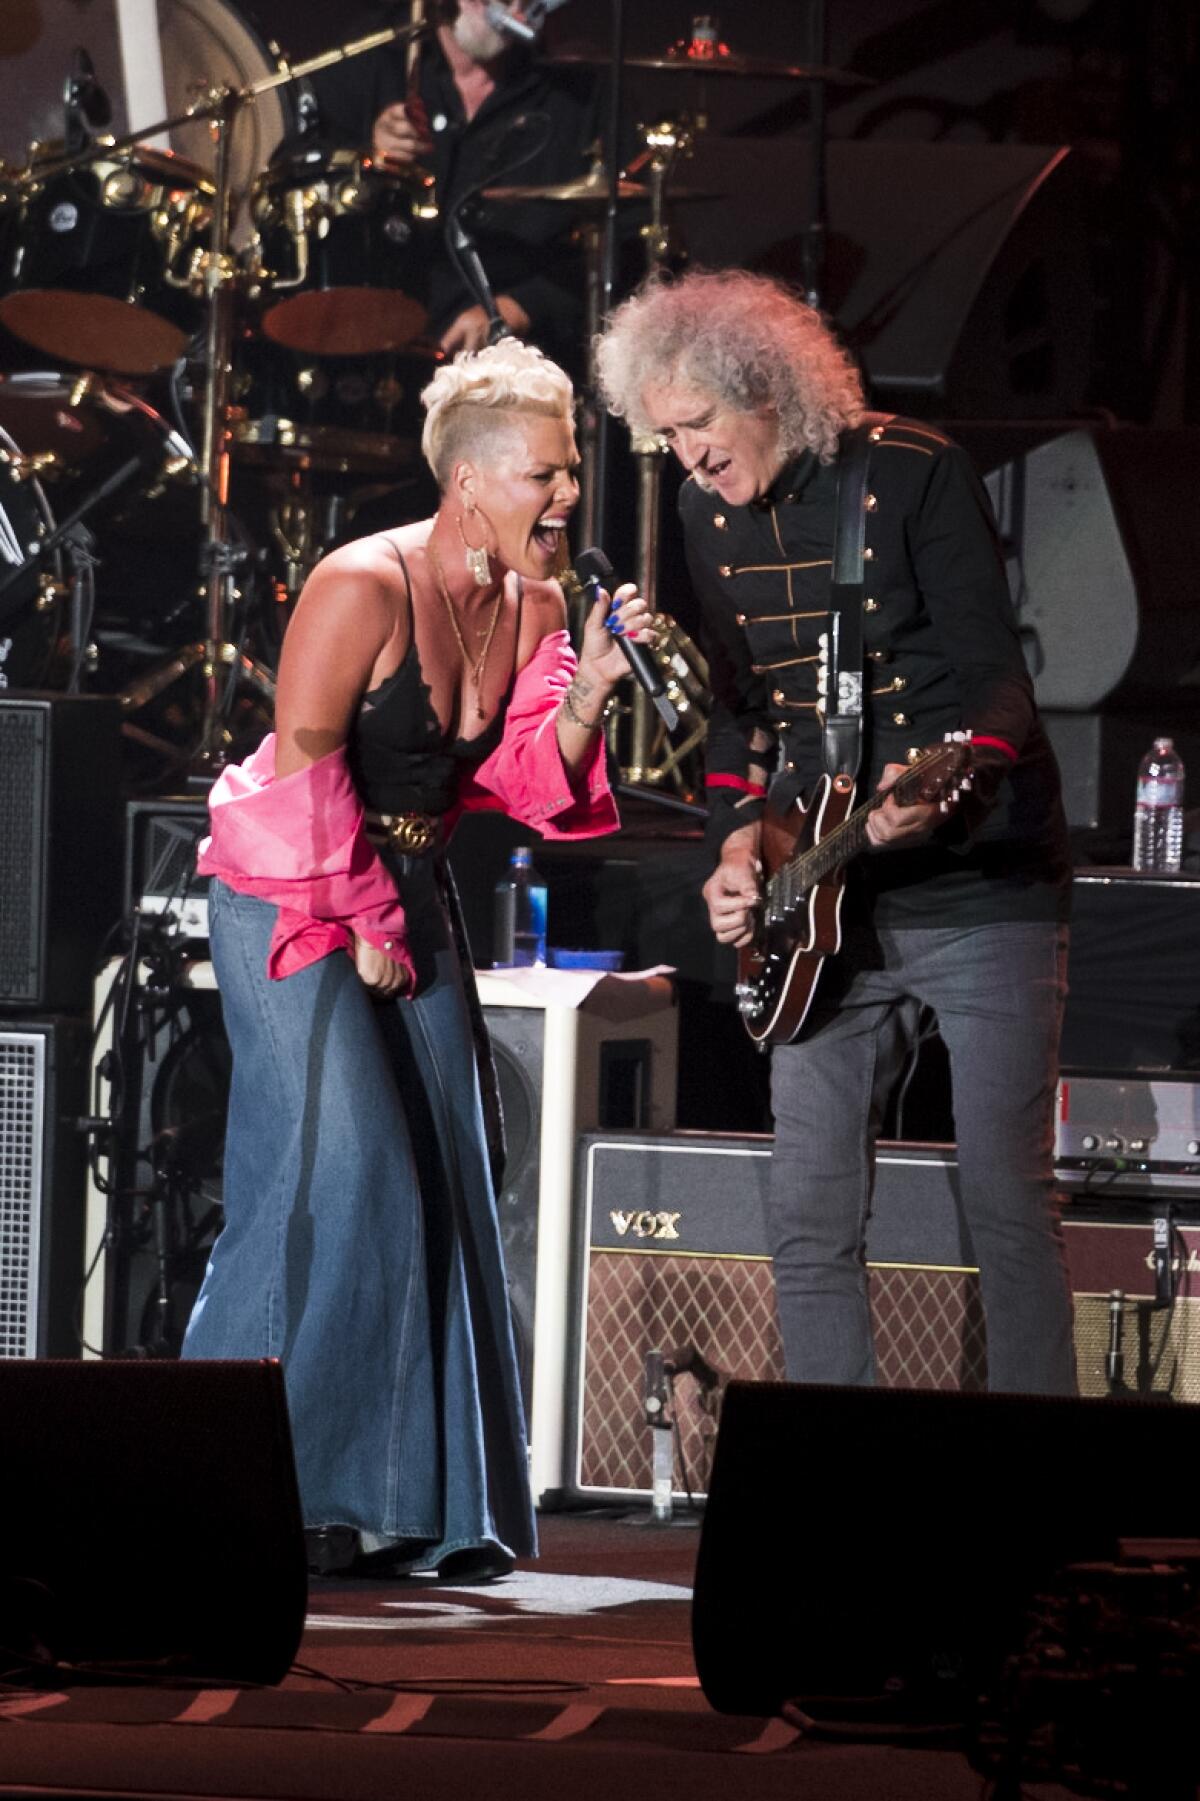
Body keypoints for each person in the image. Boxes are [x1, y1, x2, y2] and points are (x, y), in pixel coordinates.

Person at [183, 338, 655, 1577]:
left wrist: (594, 691)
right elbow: (299, 770)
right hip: (292, 887)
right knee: (343, 1169)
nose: (568, 499)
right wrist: (369, 926)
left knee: (454, 1166)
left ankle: (415, 1503)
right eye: (547, 476)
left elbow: (518, 781)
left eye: (570, 473)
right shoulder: (362, 584)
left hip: (408, 875)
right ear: (471, 484)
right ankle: (237, 1488)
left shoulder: (536, 603)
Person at [595, 269, 1078, 1396]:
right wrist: (733, 845)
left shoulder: (912, 472)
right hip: (818, 902)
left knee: (1007, 1204)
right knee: (808, 1217)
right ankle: (833, 1503)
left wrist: (952, 775)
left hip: (978, 886)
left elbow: (1001, 692)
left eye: (698, 427)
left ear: (763, 387)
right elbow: (738, 716)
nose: (687, 460)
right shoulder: (706, 516)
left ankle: (1047, 1502)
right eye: (663, 438)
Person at [311, 0, 605, 370]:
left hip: (510, 375)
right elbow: (291, 172)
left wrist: (521, 307)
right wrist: (365, 156)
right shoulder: (377, 54)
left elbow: (627, 242)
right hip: (363, 360)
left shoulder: (576, 94)